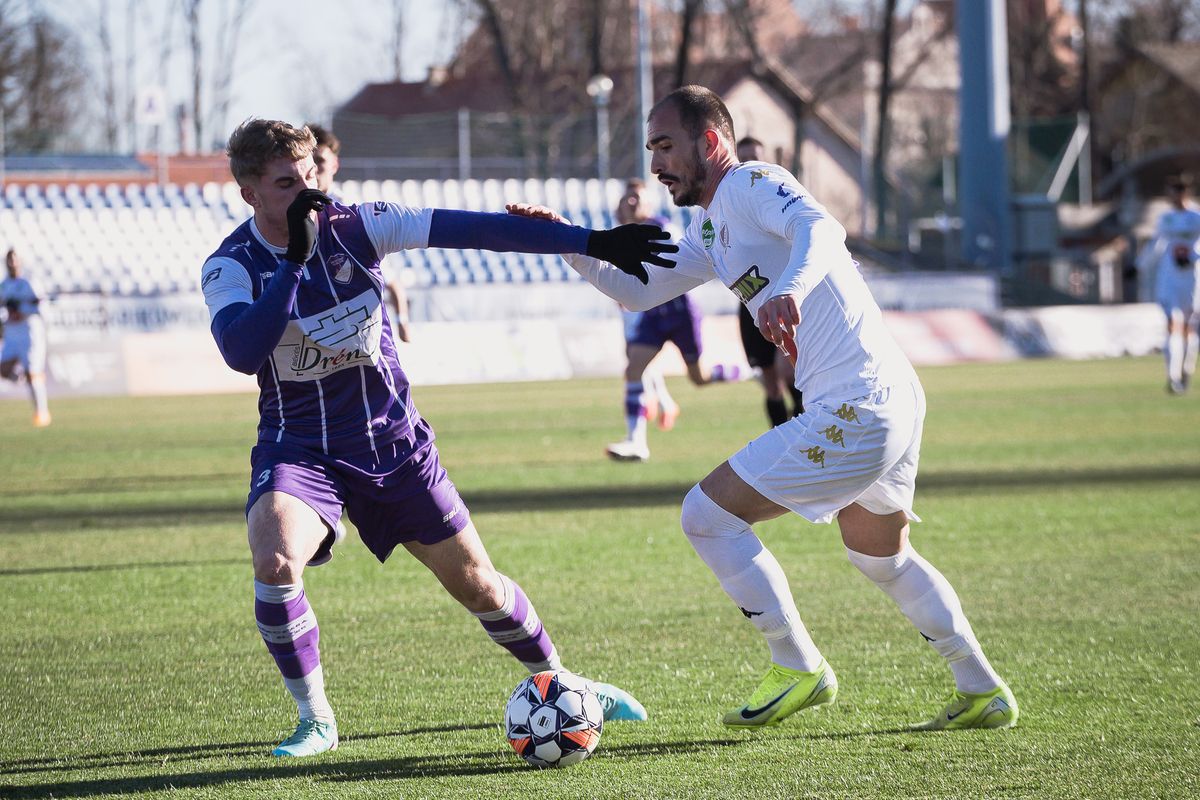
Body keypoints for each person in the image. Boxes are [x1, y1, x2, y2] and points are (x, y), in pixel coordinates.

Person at [511, 85, 1017, 731]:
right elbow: (637, 293)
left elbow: (822, 229)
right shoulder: (707, 227)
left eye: (666, 146)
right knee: (879, 557)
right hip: (885, 397)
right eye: (651, 149)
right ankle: (981, 688)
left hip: (859, 402)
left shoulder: (750, 182)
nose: (657, 163)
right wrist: (564, 241)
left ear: (711, 143)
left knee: (705, 515)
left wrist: (789, 289)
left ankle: (798, 664)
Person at [200, 119, 672, 757]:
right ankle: (317, 719)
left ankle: (567, 683)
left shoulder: (359, 225)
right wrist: (292, 265)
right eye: (288, 181)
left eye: (311, 172)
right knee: (275, 558)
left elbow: (473, 228)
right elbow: (240, 350)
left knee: (478, 583)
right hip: (299, 447)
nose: (309, 189)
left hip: (392, 443)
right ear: (250, 192)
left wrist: (591, 240)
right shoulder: (230, 266)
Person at [606, 178, 744, 462]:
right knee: (634, 369)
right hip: (652, 314)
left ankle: (744, 371)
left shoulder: (661, 227)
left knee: (699, 378)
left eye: (637, 197)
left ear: (649, 203)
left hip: (680, 311)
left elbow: (675, 257)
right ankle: (636, 442)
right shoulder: (620, 234)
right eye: (627, 197)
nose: (631, 202)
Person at [308, 122, 411, 343]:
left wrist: (402, 321)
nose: (314, 170)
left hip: (356, 333)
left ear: (335, 164)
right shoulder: (283, 216)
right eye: (309, 162)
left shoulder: (351, 215)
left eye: (320, 161)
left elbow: (390, 279)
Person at [735, 136, 804, 426]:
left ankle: (803, 427)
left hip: (781, 298)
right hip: (750, 303)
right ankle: (781, 439)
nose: (751, 163)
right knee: (771, 382)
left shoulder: (778, 196)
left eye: (756, 157)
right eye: (745, 158)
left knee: (788, 372)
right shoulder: (730, 204)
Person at [1139, 175, 1200, 394]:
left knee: (1188, 328)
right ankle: (1172, 377)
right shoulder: (1165, 219)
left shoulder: (1196, 217)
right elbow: (1156, 245)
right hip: (1169, 279)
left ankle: (1186, 369)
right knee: (1171, 324)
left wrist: (1194, 256)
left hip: (1192, 279)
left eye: (1177, 191)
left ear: (1185, 193)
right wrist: (1139, 266)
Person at [0, 248, 52, 427]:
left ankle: (42, 413)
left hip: (30, 333)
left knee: (34, 373)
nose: (12, 263)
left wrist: (23, 310)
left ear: (20, 261)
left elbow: (42, 307)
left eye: (14, 259)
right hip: (12, 333)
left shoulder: (30, 282)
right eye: (9, 259)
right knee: (3, 369)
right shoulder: (4, 285)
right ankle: (19, 378)